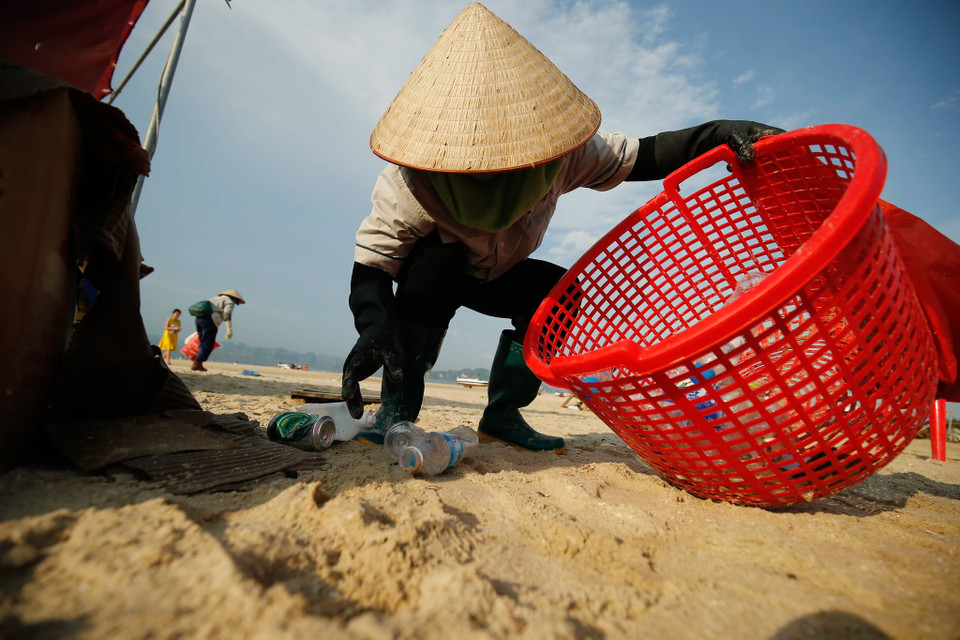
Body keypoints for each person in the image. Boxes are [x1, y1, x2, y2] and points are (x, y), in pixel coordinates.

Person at [340, 3, 783, 451]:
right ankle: (396, 410)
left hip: (496, 275)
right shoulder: (409, 182)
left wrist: (718, 133)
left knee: (558, 294)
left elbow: (644, 156)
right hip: (437, 275)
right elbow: (373, 266)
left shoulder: (564, 154)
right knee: (435, 265)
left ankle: (503, 413)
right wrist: (374, 326)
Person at [193, 289, 245, 372]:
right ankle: (197, 363)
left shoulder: (214, 298)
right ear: (235, 298)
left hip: (199, 319)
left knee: (202, 341)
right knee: (208, 343)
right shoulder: (230, 302)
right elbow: (227, 315)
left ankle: (198, 363)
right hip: (210, 321)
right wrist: (229, 330)